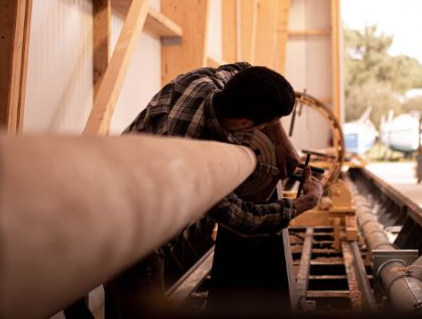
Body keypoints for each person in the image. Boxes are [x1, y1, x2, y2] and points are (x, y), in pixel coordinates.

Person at [104, 62, 323, 317]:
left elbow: (246, 68)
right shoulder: (191, 157)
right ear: (244, 122)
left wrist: (281, 139)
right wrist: (304, 203)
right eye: (264, 126)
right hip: (134, 231)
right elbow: (244, 219)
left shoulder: (211, 84)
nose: (266, 130)